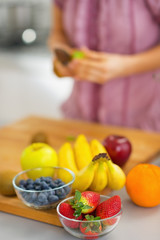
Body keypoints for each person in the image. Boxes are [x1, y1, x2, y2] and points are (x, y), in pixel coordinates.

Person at [48, 0, 160, 132]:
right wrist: (62, 56)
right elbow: (57, 32)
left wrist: (125, 66)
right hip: (79, 119)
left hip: (143, 122)